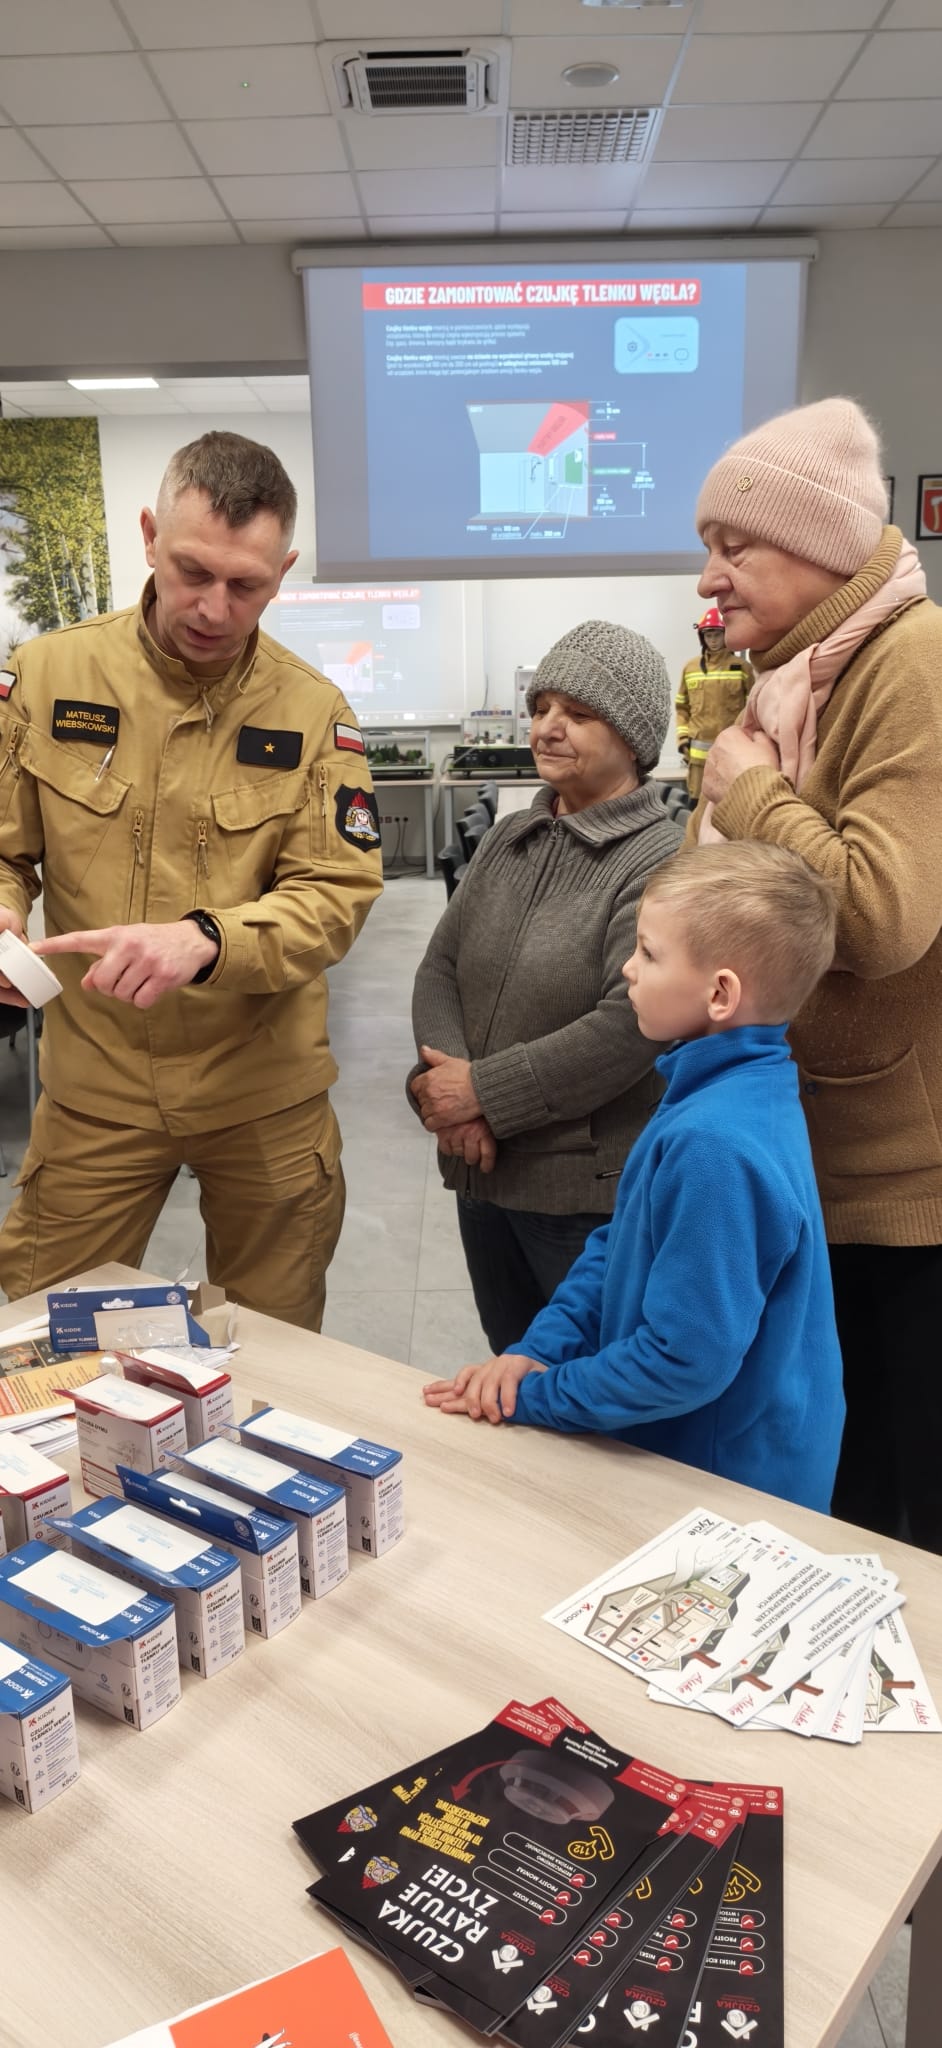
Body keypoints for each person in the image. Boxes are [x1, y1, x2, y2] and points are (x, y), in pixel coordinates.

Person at [0, 430, 383, 1330]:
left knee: (275, 1343)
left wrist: (207, 940)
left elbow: (336, 895)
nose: (213, 608)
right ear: (149, 536)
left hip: (263, 1092)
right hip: (96, 1087)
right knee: (41, 1334)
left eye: (245, 585)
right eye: (192, 572)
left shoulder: (313, 712)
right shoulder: (47, 679)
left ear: (283, 573)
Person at [688, 394, 942, 1551]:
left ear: (821, 544)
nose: (711, 579)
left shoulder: (911, 661)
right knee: (839, 1496)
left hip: (897, 1194)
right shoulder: (795, 677)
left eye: (734, 545)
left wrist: (747, 791)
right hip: (805, 1151)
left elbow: (880, 913)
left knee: (897, 1519)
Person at [424, 842, 844, 1516]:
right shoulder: (725, 1088)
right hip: (701, 1455)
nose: (628, 967)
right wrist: (538, 1350)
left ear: (720, 993)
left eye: (648, 953)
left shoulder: (715, 1145)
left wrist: (537, 1395)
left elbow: (682, 1361)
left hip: (723, 1490)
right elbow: (621, 1242)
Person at [409, 620, 682, 1355]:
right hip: (480, 1170)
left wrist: (482, 1094)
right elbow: (440, 967)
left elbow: (629, 1024)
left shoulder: (660, 860)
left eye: (579, 714)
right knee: (511, 1367)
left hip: (579, 1198)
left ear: (633, 738)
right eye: (541, 709)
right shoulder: (512, 836)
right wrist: (453, 1095)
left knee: (586, 1381)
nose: (548, 728)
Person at [675, 606, 753, 800]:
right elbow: (682, 708)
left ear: (725, 634)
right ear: (702, 637)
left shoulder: (742, 667)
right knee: (697, 804)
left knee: (731, 804)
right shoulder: (691, 668)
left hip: (733, 753)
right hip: (698, 756)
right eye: (708, 635)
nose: (713, 640)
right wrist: (682, 740)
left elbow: (753, 709)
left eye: (717, 635)